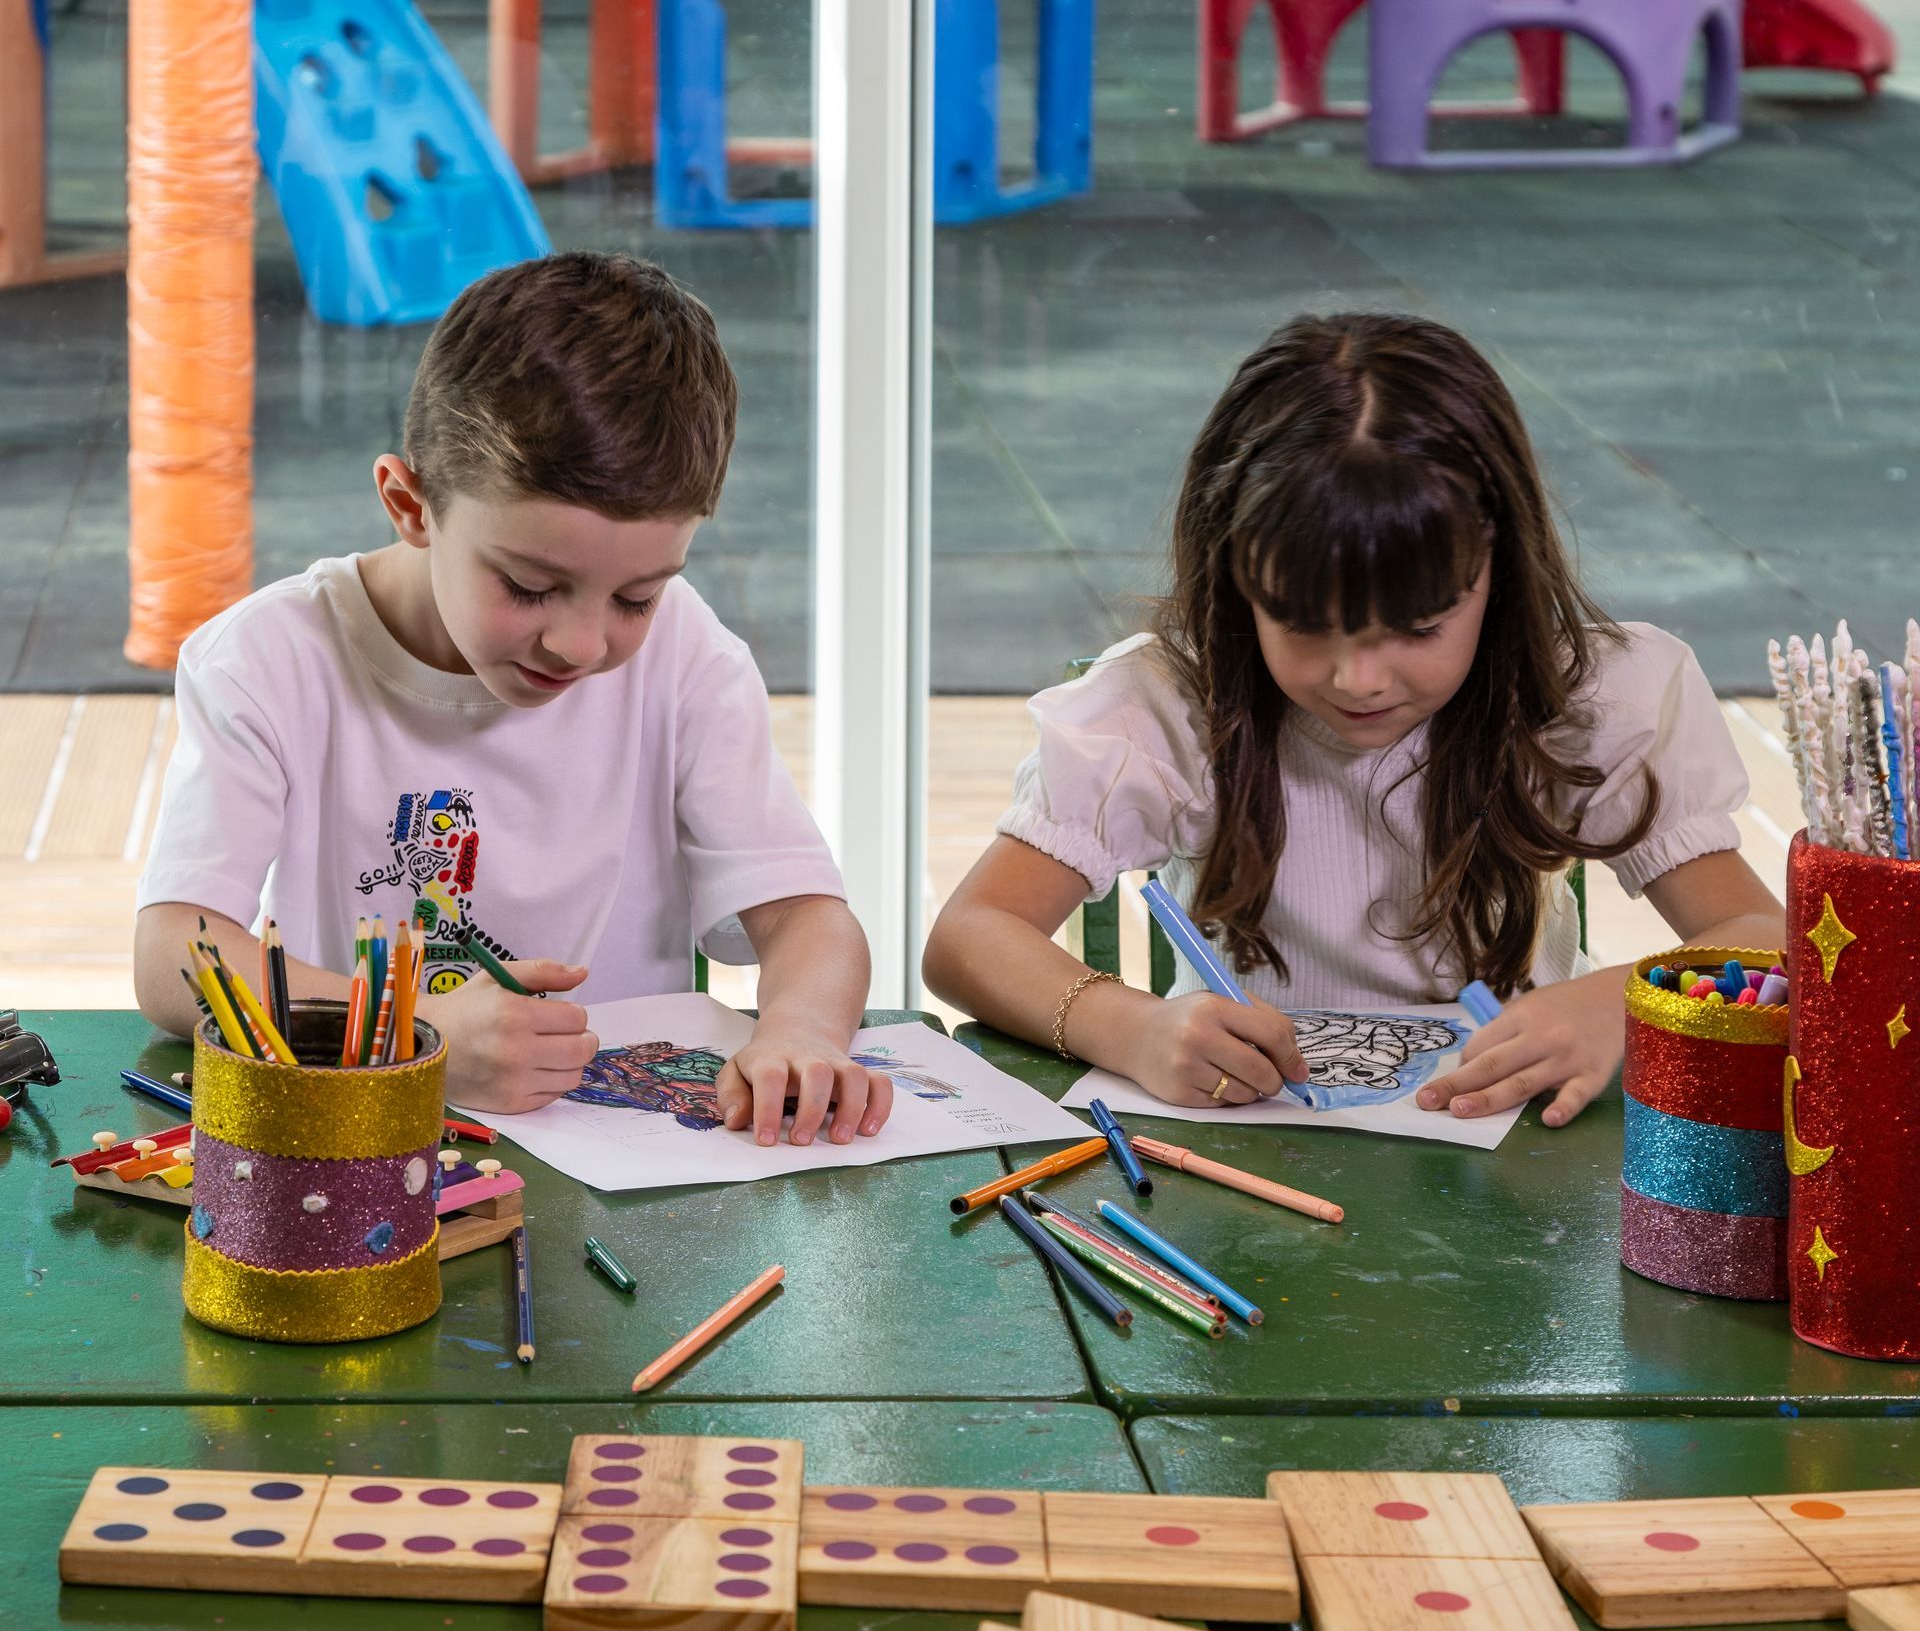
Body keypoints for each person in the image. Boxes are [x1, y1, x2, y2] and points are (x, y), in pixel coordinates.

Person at [923, 312, 1781, 1128]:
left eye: (1415, 628)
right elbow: (969, 936)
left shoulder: (1586, 703)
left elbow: (1771, 940)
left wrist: (1624, 1004)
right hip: (1243, 1154)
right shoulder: (1169, 707)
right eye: (1302, 624)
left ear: (1498, 571)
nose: (1358, 679)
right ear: (1237, 578)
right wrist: (1131, 1027)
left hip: (1510, 1163)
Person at [135, 250, 890, 1140]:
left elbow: (808, 915)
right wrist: (405, 1034)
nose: (581, 642)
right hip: (366, 1146)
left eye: (637, 597)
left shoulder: (687, 656)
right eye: (530, 587)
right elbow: (173, 950)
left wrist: (800, 1029)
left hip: (630, 1169)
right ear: (411, 505)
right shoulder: (266, 661)